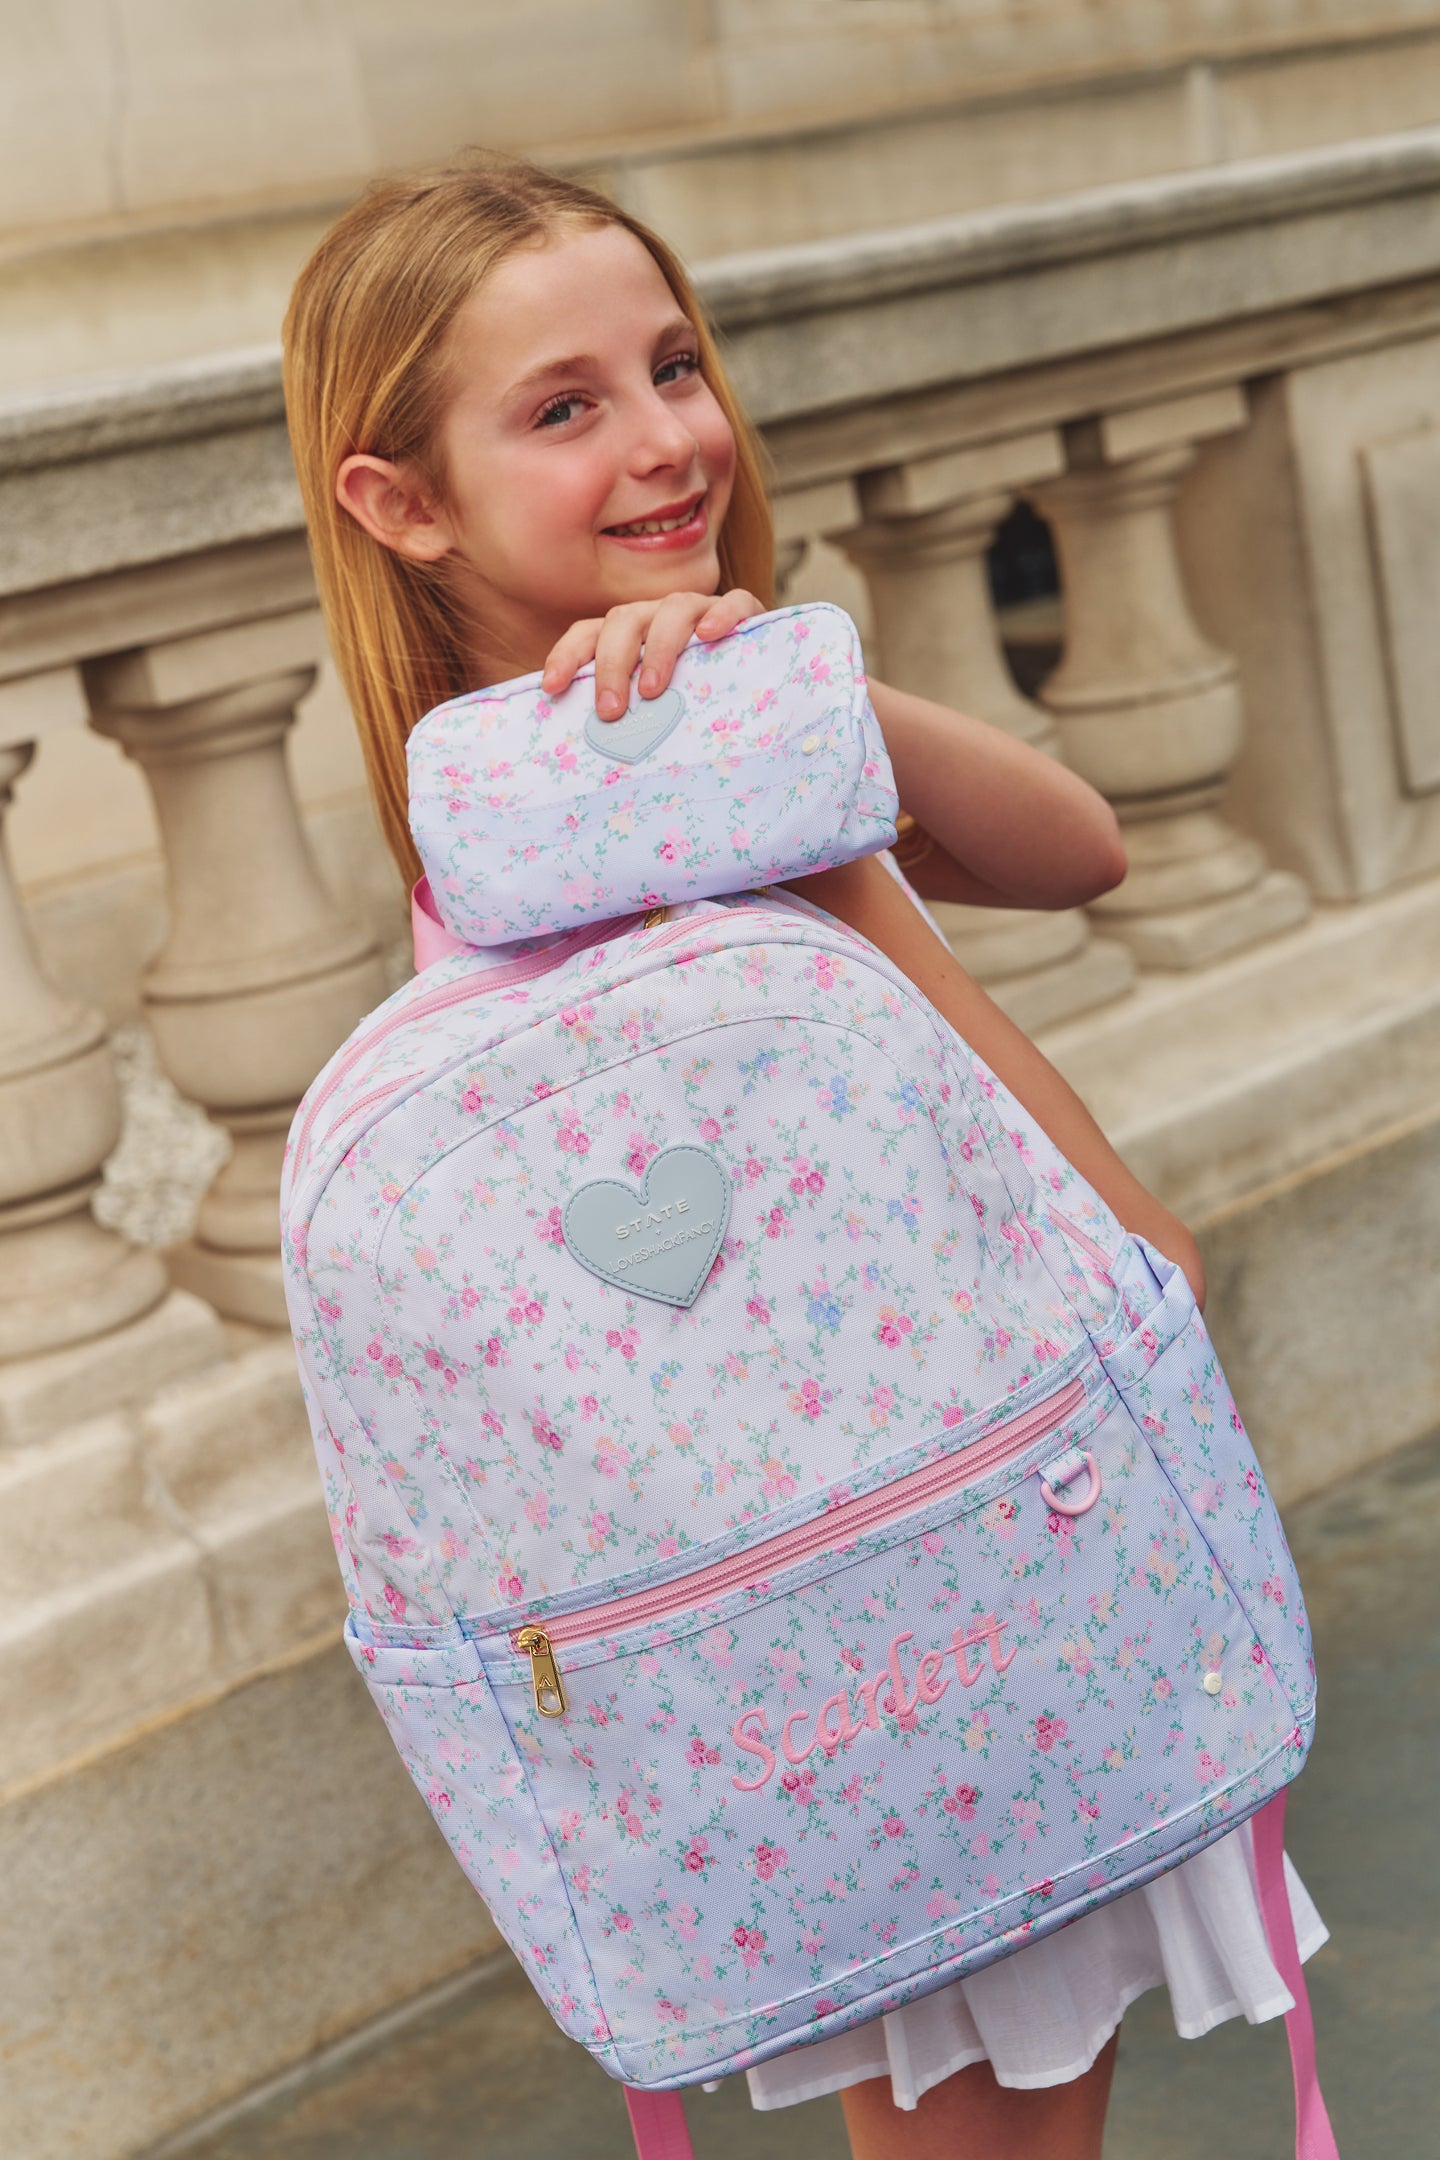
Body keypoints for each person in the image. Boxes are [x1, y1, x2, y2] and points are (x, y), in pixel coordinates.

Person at [282, 149, 1325, 2160]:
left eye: (673, 365)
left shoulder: (736, 720)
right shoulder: (530, 829)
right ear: (400, 503)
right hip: (885, 1596)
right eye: (564, 408)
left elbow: (1072, 849)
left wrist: (799, 688)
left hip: (974, 1537)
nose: (669, 437)